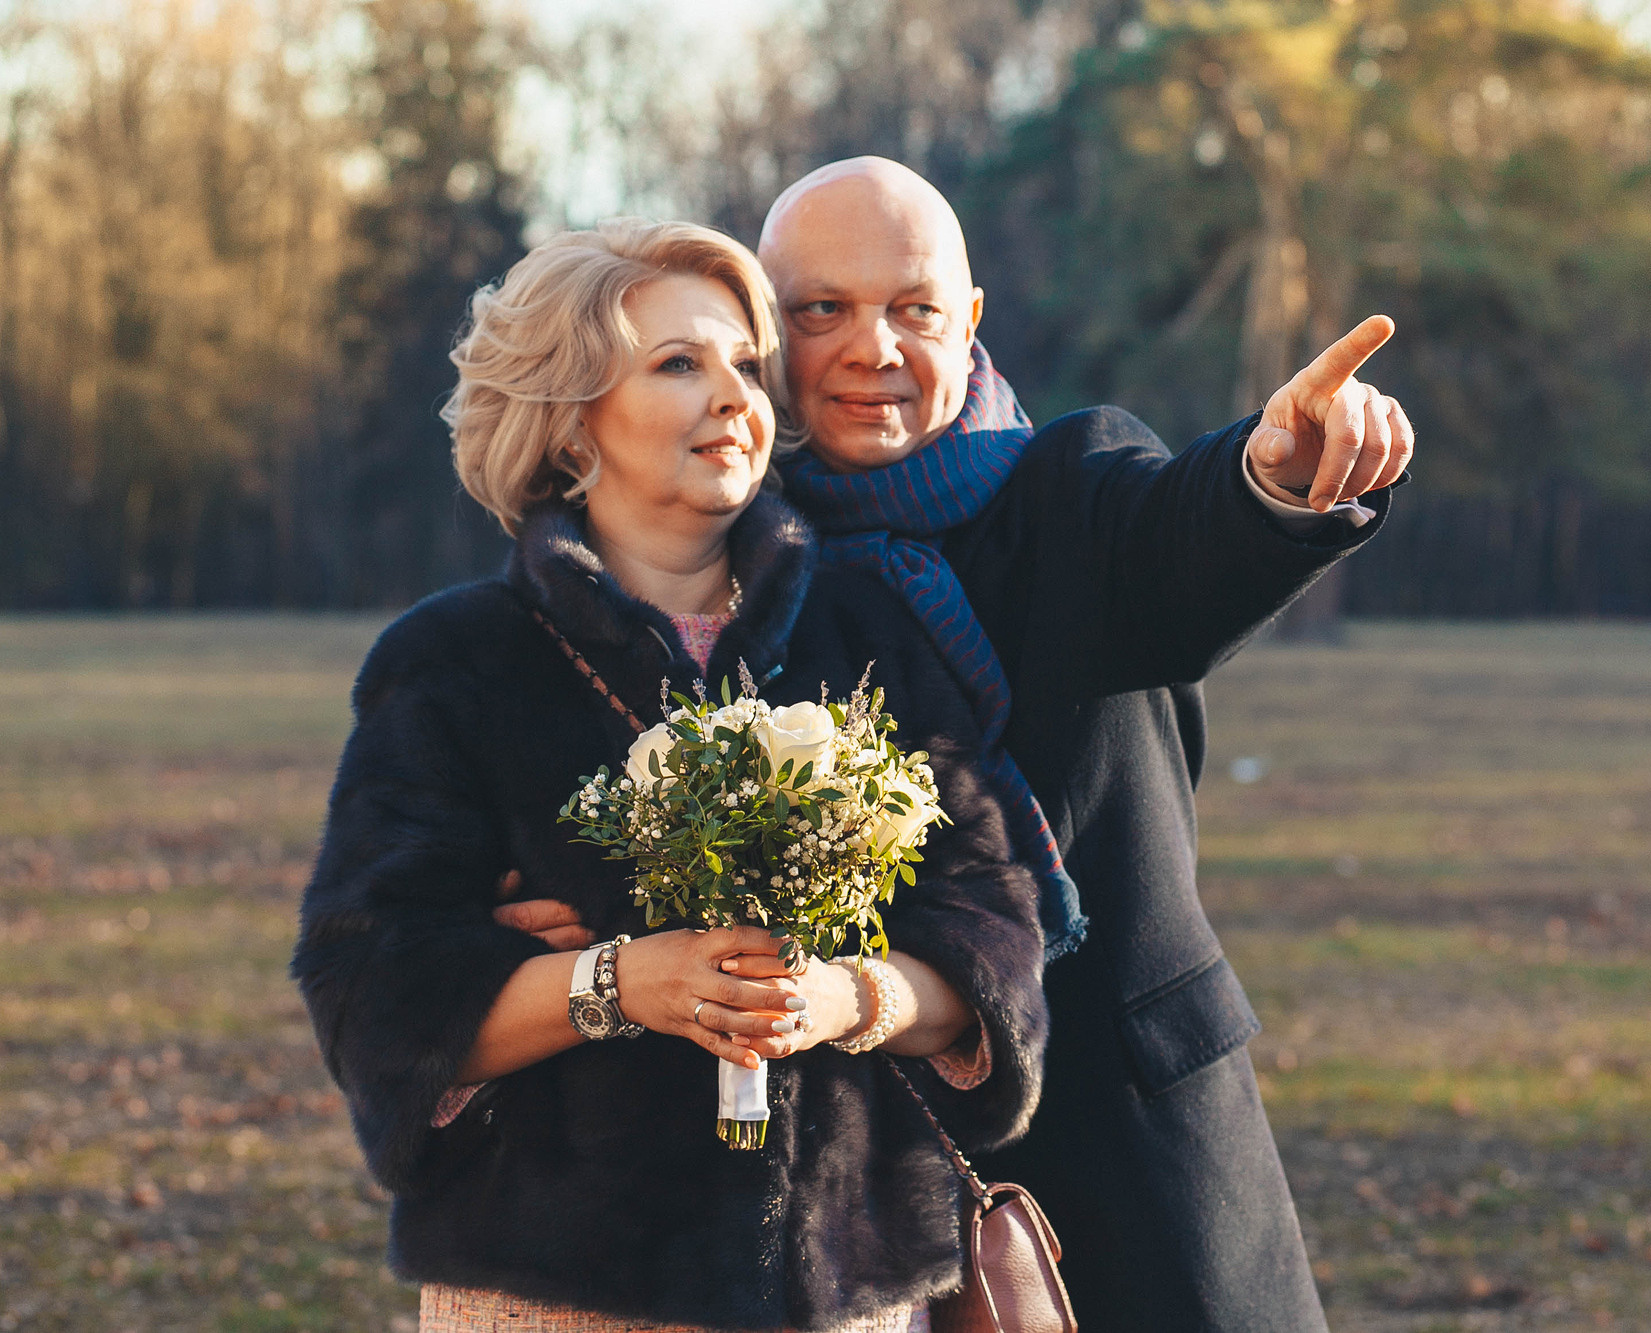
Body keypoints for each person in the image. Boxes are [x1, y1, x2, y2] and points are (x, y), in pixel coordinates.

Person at [500, 159, 1414, 1332]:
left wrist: (1274, 472)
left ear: (968, 319)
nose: (871, 347)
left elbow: (1186, 535)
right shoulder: (718, 558)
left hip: (1125, 1142)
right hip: (854, 1175)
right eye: (819, 309)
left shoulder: (1073, 489)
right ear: (761, 331)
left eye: (912, 309)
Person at [291, 218, 1048, 1333]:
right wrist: (617, 984)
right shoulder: (453, 661)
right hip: (557, 1294)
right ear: (570, 418)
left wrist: (847, 996)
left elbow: (996, 940)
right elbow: (372, 997)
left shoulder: (869, 628)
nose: (737, 396)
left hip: (844, 1297)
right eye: (678, 364)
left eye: (747, 362)